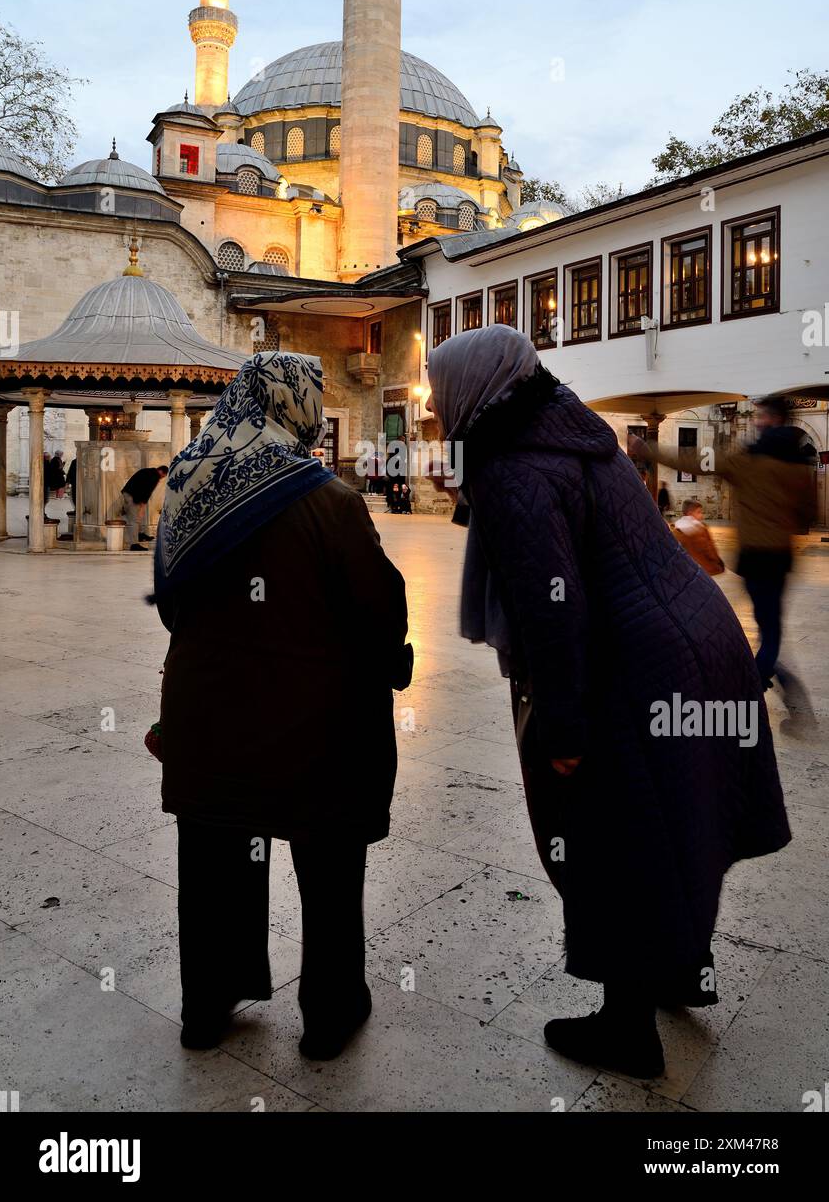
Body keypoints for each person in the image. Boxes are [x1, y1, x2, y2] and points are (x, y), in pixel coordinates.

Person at [427, 325, 790, 1081]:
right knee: (681, 814)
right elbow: (552, 522)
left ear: (473, 389)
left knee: (610, 833)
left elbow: (551, 607)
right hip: (704, 640)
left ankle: (627, 1029)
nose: (435, 404)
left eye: (438, 390)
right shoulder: (571, 433)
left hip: (640, 663)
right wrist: (474, 494)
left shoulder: (514, 469)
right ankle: (684, 969)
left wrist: (563, 723)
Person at [152, 352, 410, 1056]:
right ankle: (330, 1014)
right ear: (296, 406)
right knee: (328, 870)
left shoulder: (189, 481)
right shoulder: (330, 501)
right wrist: (396, 665)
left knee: (214, 865)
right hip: (317, 728)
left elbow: (172, 606)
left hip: (209, 720)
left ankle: (208, 1005)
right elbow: (379, 613)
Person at [630, 396, 815, 715]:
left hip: (755, 556)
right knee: (769, 625)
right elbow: (807, 515)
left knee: (767, 627)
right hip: (780, 556)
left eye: (760, 416)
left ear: (771, 419)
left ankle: (753, 685)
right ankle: (771, 681)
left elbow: (694, 461)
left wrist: (648, 449)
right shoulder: (799, 466)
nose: (756, 421)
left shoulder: (748, 460)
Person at [671, 498, 725, 577]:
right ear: (690, 513)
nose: (701, 515)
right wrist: (717, 561)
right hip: (702, 568)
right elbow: (709, 549)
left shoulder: (676, 528)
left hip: (684, 570)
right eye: (699, 512)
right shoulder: (700, 529)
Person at [121, 465, 168, 551]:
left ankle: (141, 534)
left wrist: (142, 507)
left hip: (131, 494)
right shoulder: (154, 477)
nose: (161, 478)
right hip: (131, 495)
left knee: (140, 516)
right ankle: (134, 544)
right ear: (161, 472)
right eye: (163, 476)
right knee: (135, 519)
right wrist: (142, 507)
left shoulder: (147, 471)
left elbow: (142, 489)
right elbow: (147, 492)